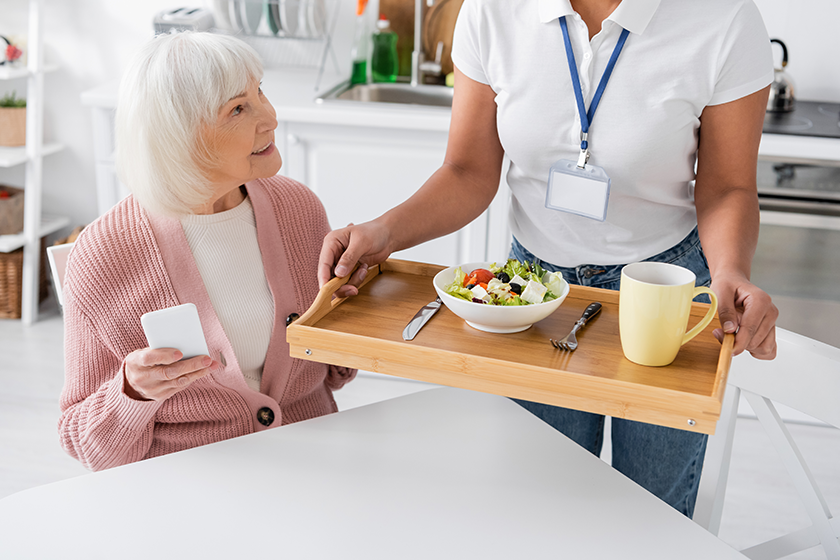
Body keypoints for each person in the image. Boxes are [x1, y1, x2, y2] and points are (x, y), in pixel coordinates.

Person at [318, 0, 779, 517]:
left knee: (653, 515)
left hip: (663, 288)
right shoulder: (492, 11)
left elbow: (727, 187)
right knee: (538, 503)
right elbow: (468, 170)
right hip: (533, 293)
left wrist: (730, 271)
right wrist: (385, 232)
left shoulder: (723, 17)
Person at [58, 32, 355, 472]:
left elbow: (329, 374)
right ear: (180, 138)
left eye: (260, 92)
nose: (270, 117)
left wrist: (350, 320)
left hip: (313, 465)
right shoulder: (103, 255)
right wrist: (132, 393)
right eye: (238, 108)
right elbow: (87, 445)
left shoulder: (299, 209)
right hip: (192, 486)